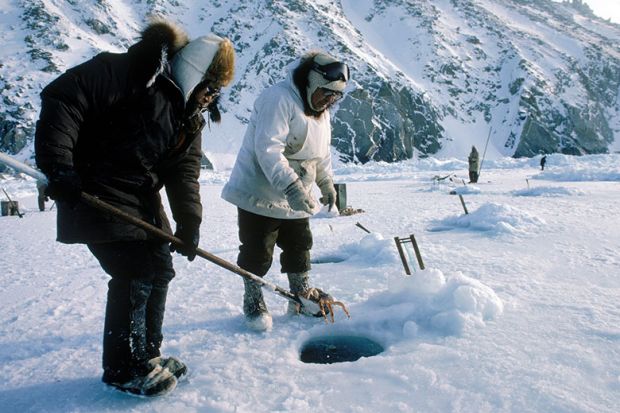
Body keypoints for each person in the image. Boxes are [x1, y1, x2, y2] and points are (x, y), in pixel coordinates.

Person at [34, 18, 235, 396]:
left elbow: (184, 172)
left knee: (159, 267)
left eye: (216, 92)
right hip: (91, 188)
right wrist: (59, 168)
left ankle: (146, 356)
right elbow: (65, 98)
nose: (210, 97)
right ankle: (123, 368)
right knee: (134, 271)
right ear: (194, 73)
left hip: (139, 197)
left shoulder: (188, 116)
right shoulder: (128, 73)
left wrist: (189, 222)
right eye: (209, 87)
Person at [221, 51, 348, 332]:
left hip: (295, 191)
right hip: (259, 191)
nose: (329, 101)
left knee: (300, 243)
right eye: (326, 93)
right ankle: (253, 300)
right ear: (311, 83)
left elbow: (321, 154)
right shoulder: (278, 99)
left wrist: (326, 184)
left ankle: (300, 294)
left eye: (335, 97)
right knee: (258, 251)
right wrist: (291, 186)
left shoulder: (321, 113)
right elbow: (267, 149)